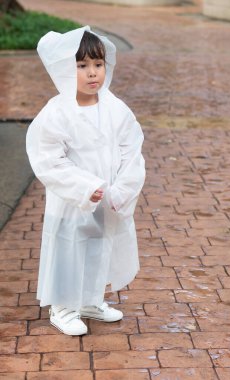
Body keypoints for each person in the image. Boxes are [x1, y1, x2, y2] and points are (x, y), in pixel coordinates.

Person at [26, 26, 145, 336]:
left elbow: (133, 150)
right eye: (82, 66)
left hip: (108, 199)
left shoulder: (115, 108)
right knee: (69, 247)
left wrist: (121, 189)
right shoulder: (57, 113)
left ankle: (91, 300)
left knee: (97, 247)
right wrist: (86, 187)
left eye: (98, 64)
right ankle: (63, 306)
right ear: (65, 69)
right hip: (73, 201)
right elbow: (49, 159)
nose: (93, 73)